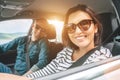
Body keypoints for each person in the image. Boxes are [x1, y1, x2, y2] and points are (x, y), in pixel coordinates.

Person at [0, 4, 112, 80]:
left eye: (84, 24)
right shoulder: (66, 52)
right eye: (71, 27)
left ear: (96, 28)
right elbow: (45, 72)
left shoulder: (102, 57)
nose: (78, 31)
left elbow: (42, 62)